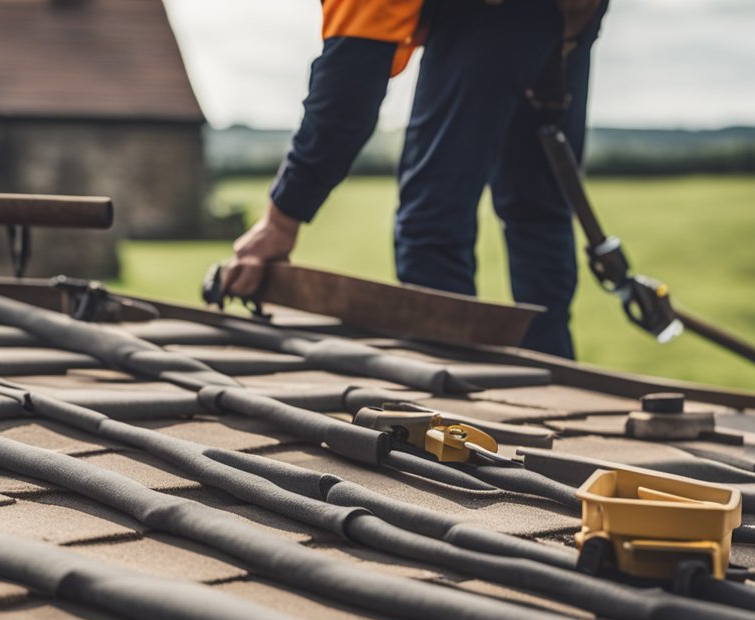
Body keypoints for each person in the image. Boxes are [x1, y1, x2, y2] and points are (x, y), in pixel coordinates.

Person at [225, 0, 608, 358]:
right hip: (571, 12)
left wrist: (281, 219)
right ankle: (552, 380)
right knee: (537, 213)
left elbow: (351, 81)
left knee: (432, 226)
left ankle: (458, 410)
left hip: (488, 10)